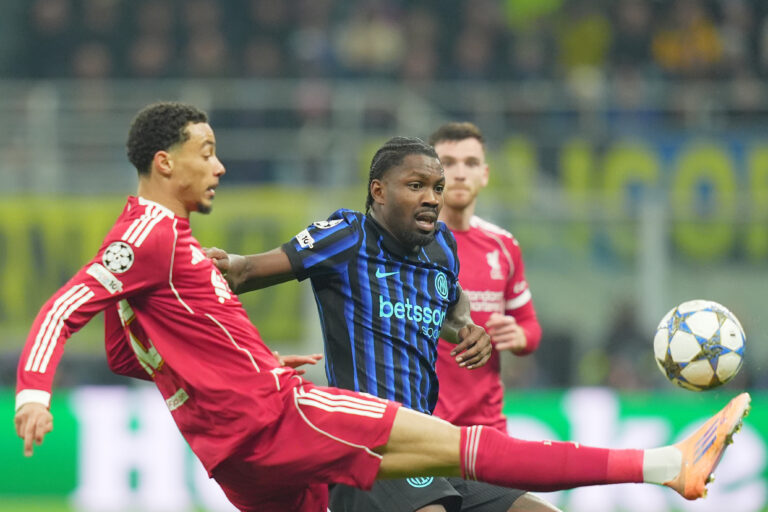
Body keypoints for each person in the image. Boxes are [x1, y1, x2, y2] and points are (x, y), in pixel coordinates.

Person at [14, 102, 750, 512]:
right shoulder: (151, 233)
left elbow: (129, 352)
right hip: (289, 418)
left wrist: (244, 364)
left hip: (241, 444)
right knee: (464, 445)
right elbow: (65, 305)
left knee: (484, 471)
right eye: (207, 151)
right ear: (165, 161)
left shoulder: (166, 245)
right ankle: (665, 463)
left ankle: (664, 465)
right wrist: (33, 392)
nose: (221, 164)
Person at [207, 134, 547, 511]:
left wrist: (468, 329)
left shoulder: (441, 247)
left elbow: (453, 306)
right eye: (416, 186)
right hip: (366, 446)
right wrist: (209, 263)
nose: (432, 198)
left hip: (426, 442)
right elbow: (245, 271)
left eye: (437, 188)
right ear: (379, 191)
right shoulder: (346, 236)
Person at [429, 121, 542, 433]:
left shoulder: (503, 246)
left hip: (488, 427)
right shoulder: (408, 246)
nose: (460, 173)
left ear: (485, 174)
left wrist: (520, 337)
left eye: (471, 163)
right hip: (425, 426)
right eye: (448, 163)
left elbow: (529, 326)